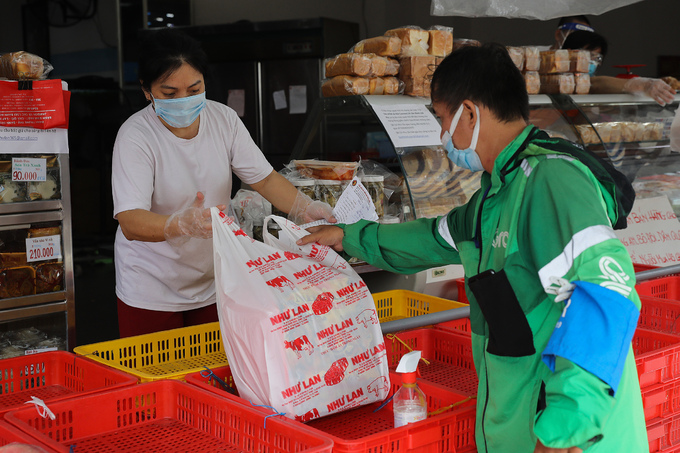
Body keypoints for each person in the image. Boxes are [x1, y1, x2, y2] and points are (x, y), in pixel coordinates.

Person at [299, 43, 647, 452]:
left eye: (442, 120)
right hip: (520, 430)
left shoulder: (551, 181)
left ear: (469, 113)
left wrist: (565, 428)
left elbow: (605, 290)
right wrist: (348, 235)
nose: (443, 135)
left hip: (568, 439)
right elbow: (434, 236)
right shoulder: (496, 194)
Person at [111, 28, 332, 338]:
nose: (184, 100)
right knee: (158, 378)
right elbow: (130, 221)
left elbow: (264, 179)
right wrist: (179, 224)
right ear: (147, 91)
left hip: (214, 276)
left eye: (194, 88)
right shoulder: (135, 136)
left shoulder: (223, 119)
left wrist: (305, 207)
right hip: (151, 286)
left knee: (211, 375)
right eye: (169, 93)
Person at [561, 30, 676, 106]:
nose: (591, 62)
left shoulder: (597, 85)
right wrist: (642, 84)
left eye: (596, 58)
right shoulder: (553, 79)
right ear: (569, 52)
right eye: (587, 55)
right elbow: (595, 83)